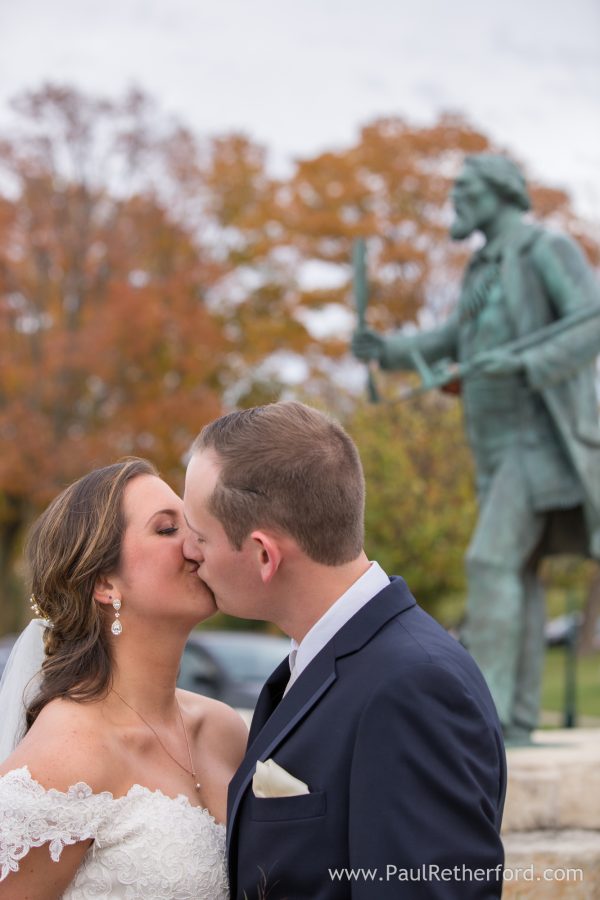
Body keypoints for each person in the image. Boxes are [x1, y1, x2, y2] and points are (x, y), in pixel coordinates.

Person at [183, 400, 506, 899]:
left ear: (264, 555)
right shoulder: (326, 659)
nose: (189, 552)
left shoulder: (413, 687)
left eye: (200, 537)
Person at [352, 153, 600, 744]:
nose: (455, 201)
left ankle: (479, 723)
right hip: (491, 445)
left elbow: (591, 322)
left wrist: (524, 362)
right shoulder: (482, 267)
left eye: (465, 190)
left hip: (537, 441)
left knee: (490, 562)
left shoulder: (544, 249)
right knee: (518, 568)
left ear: (500, 191)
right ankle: (514, 718)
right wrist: (387, 350)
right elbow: (452, 338)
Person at [0, 458, 247, 899]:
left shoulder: (223, 728)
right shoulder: (66, 755)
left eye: (193, 524)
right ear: (105, 584)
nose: (197, 543)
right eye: (167, 529)